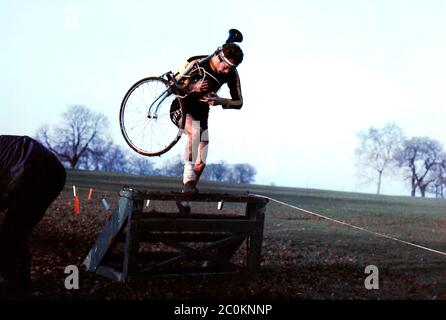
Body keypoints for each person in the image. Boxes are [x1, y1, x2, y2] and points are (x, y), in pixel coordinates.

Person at [172, 43, 244, 213]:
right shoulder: (197, 62)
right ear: (219, 57)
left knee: (201, 164)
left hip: (202, 113)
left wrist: (221, 101)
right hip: (182, 107)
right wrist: (191, 87)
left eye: (230, 69)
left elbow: (239, 102)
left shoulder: (232, 73)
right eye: (225, 67)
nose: (226, 72)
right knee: (194, 132)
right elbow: (173, 83)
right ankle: (188, 180)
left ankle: (185, 201)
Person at [0, 135, 66, 297]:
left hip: (38, 169)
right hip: (42, 168)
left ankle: (12, 285)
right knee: (14, 233)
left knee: (12, 234)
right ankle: (18, 283)